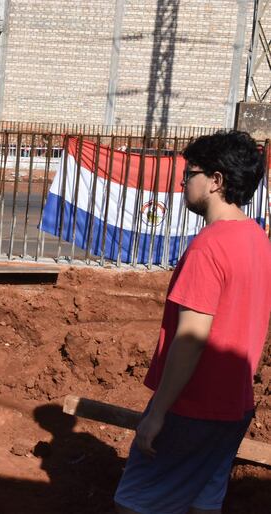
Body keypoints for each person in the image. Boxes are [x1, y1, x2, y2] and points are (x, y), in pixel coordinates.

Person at [114, 131, 271, 514]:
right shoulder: (258, 239)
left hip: (193, 406)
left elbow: (191, 338)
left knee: (134, 504)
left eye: (190, 173)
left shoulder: (208, 246)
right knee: (204, 502)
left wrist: (158, 414)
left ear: (216, 181)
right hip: (235, 404)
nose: (183, 182)